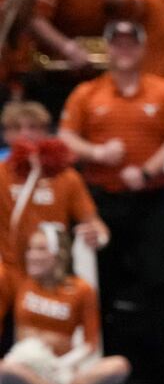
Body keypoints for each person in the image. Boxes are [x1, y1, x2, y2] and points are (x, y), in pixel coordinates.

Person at [57, 21, 164, 384]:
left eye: (132, 43)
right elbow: (65, 137)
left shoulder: (163, 91)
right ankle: (102, 376)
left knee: (159, 284)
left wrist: (146, 170)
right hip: (102, 202)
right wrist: (96, 153)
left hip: (150, 202)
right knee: (101, 287)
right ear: (108, 49)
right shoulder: (88, 93)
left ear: (143, 49)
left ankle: (158, 381)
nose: (125, 49)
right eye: (118, 43)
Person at [0, 227, 128, 384]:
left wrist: (61, 365)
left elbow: (90, 343)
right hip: (26, 368)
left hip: (61, 371)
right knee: (6, 369)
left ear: (58, 253)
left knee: (119, 365)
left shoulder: (82, 289)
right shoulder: (21, 282)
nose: (32, 255)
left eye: (41, 249)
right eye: (30, 249)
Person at [0, 100, 107, 269]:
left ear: (47, 132)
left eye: (33, 127)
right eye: (16, 128)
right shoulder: (1, 173)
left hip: (51, 271)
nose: (25, 134)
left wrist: (98, 237)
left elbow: (96, 225)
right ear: (6, 135)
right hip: (7, 268)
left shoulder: (66, 176)